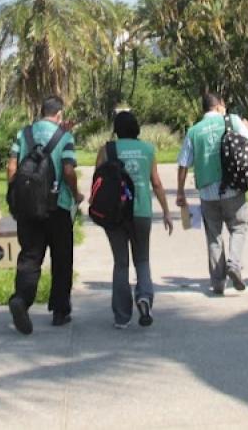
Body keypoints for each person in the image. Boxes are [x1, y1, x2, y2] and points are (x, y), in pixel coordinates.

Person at [7, 95, 82, 335]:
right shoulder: (65, 137)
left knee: (30, 257)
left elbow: (11, 168)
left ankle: (21, 299)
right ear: (59, 114)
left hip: (29, 209)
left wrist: (15, 195)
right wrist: (76, 193)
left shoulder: (23, 134)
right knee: (61, 259)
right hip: (57, 207)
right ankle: (60, 311)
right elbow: (68, 169)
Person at [96, 109, 173, 329]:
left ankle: (121, 316)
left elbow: (98, 180)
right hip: (141, 212)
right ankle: (145, 297)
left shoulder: (107, 149)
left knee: (120, 263)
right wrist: (166, 212)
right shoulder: (148, 149)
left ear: (116, 130)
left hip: (115, 214)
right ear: (137, 128)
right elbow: (156, 183)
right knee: (142, 259)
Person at [176, 92, 248, 295]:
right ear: (219, 106)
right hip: (232, 188)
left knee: (213, 236)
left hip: (207, 192)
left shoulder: (193, 131)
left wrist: (180, 192)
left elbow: (183, 164)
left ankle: (218, 282)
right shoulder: (232, 121)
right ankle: (234, 264)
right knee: (238, 227)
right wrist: (245, 128)